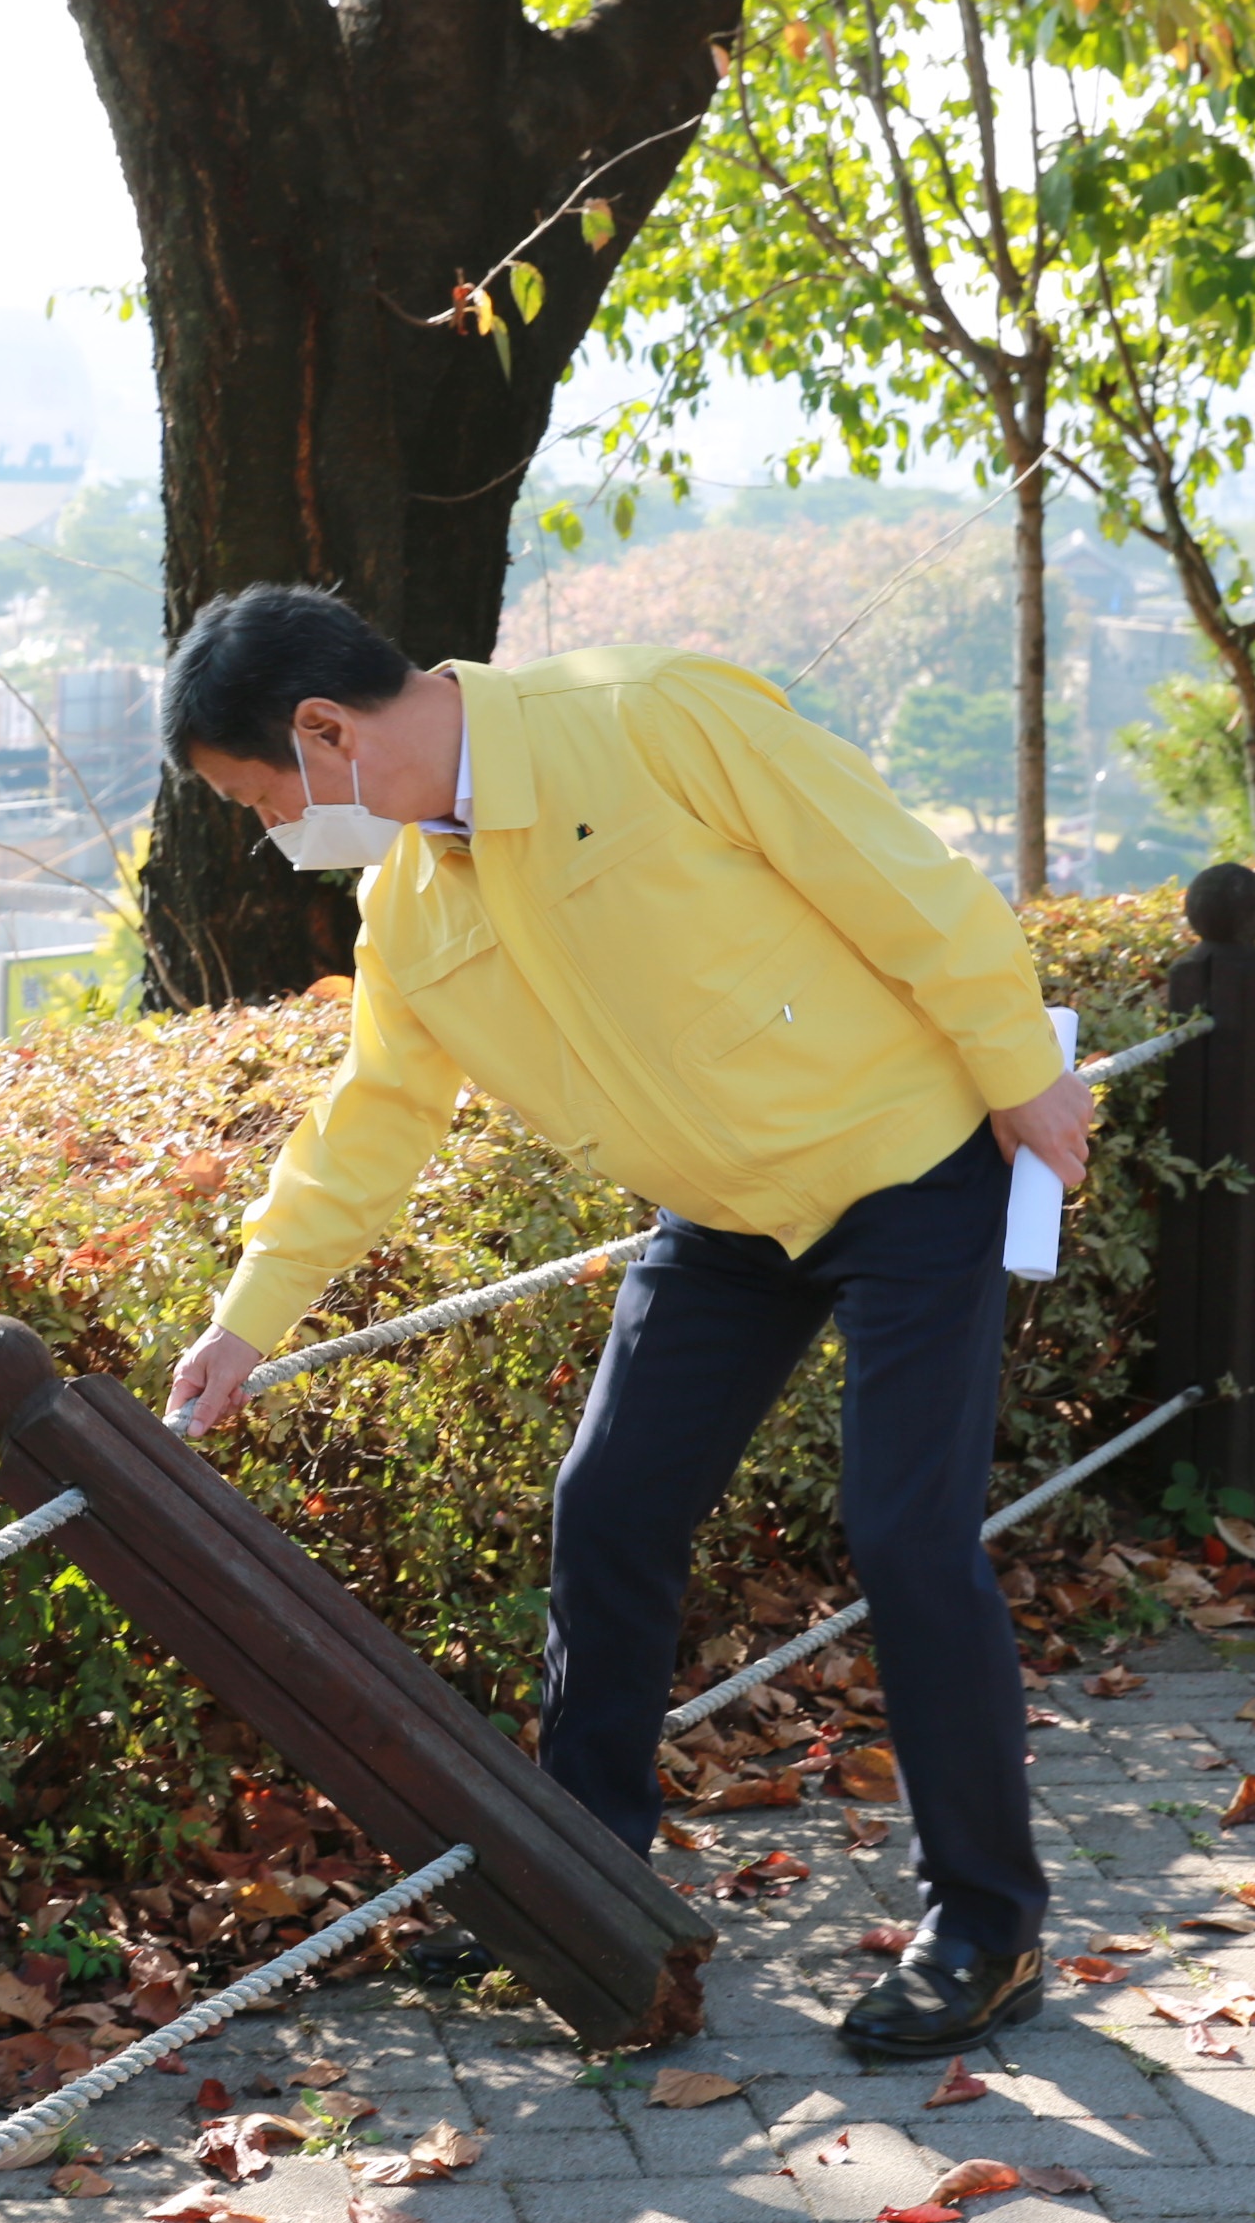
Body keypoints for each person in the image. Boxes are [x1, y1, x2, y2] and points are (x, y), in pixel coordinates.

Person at [161, 585, 1094, 2057]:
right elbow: (373, 1119)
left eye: (256, 794)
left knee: (906, 1532)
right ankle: (582, 1882)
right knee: (605, 1506)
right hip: (721, 1223)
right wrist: (248, 1318)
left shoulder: (650, 716)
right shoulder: (406, 903)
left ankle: (984, 1924)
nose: (268, 827)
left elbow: (894, 877)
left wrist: (1012, 1067)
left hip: (906, 1167)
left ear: (323, 728)